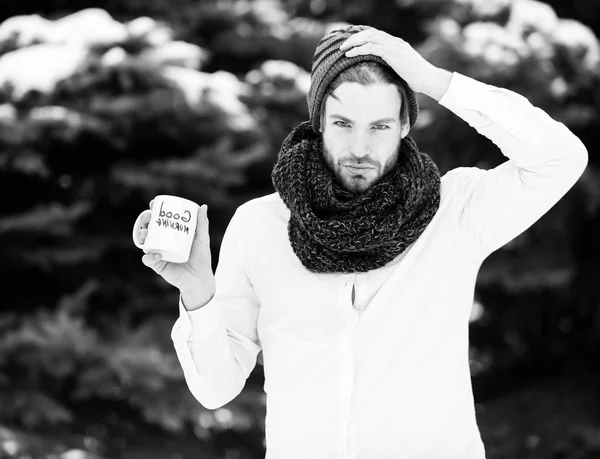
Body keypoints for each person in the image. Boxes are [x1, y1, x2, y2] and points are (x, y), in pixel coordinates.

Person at [137, 25, 588, 459]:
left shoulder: (455, 213)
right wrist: (197, 291)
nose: (359, 147)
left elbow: (561, 159)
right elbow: (216, 388)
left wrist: (435, 81)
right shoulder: (259, 225)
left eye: (379, 126)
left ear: (405, 125)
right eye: (343, 123)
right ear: (318, 122)